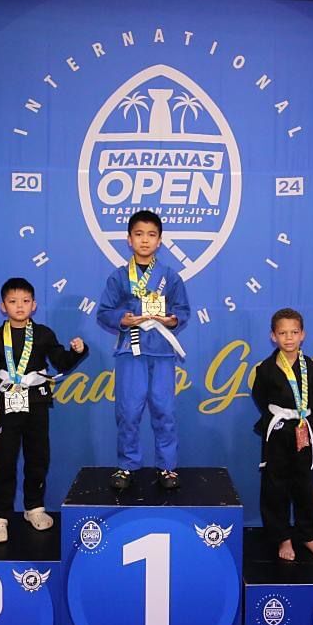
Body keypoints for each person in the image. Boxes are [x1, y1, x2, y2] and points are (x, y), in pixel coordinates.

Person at [0, 277, 87, 543]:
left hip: (37, 401)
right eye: (13, 301)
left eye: (25, 301)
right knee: (5, 460)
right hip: (8, 403)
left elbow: (61, 360)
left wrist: (77, 351)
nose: (20, 306)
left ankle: (34, 507)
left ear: (34, 305)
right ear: (3, 306)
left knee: (38, 457)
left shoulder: (44, 334)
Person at [97, 210, 190, 490]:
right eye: (139, 234)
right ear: (129, 240)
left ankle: (167, 467)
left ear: (160, 241)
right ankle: (127, 466)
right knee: (128, 410)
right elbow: (104, 312)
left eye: (151, 235)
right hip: (130, 350)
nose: (145, 241)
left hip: (161, 351)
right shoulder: (118, 277)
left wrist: (172, 320)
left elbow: (182, 310)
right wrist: (122, 319)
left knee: (164, 410)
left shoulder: (170, 277)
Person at [252, 308, 313, 561]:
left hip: (303, 430)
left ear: (303, 335)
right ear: (273, 336)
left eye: (294, 332)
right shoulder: (265, 369)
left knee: (306, 488)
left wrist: (309, 428)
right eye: (282, 333)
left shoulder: (312, 368)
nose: (288, 338)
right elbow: (260, 398)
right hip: (277, 433)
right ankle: (282, 537)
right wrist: (277, 420)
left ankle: (307, 535)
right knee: (276, 487)